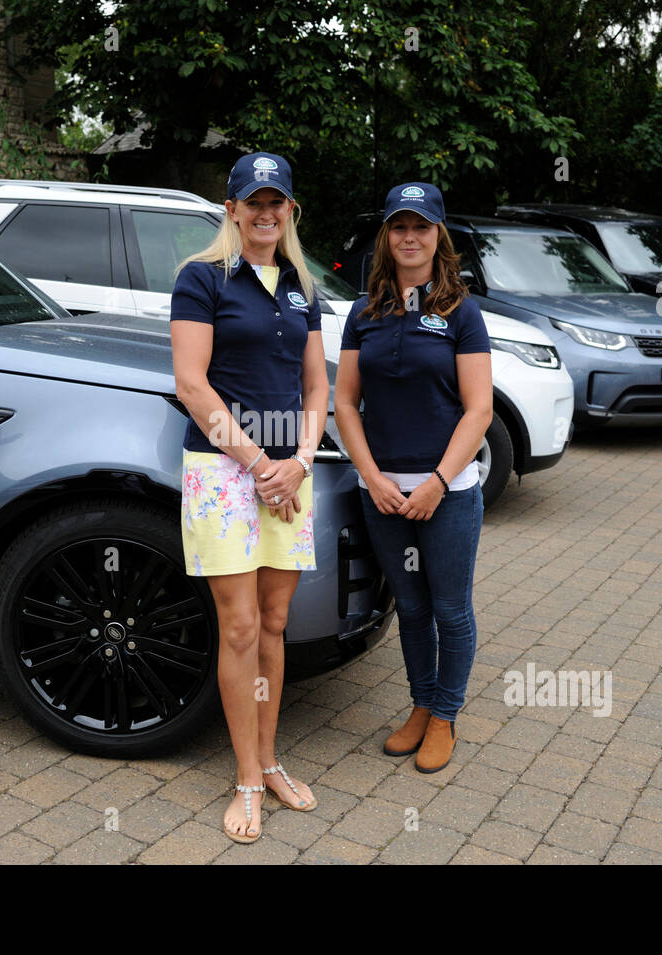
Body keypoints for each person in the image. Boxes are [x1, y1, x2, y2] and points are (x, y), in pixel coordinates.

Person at [170, 152, 329, 843]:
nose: (265, 214)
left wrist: (297, 461)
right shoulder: (201, 278)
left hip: (288, 472)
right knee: (237, 628)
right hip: (224, 471)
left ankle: (268, 761)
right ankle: (242, 776)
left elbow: (317, 388)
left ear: (289, 211)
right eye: (253, 202)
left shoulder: (301, 286)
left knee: (273, 622)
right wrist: (261, 461)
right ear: (230, 209)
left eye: (277, 203)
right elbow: (191, 384)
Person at [334, 181, 492, 773]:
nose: (409, 237)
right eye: (399, 227)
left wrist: (436, 483)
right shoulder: (364, 312)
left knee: (450, 609)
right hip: (382, 493)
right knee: (410, 605)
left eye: (420, 227)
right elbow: (346, 403)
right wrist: (371, 476)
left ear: (437, 236)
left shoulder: (462, 311)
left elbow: (478, 409)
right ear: (387, 236)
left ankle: (446, 715)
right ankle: (420, 707)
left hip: (446, 494)